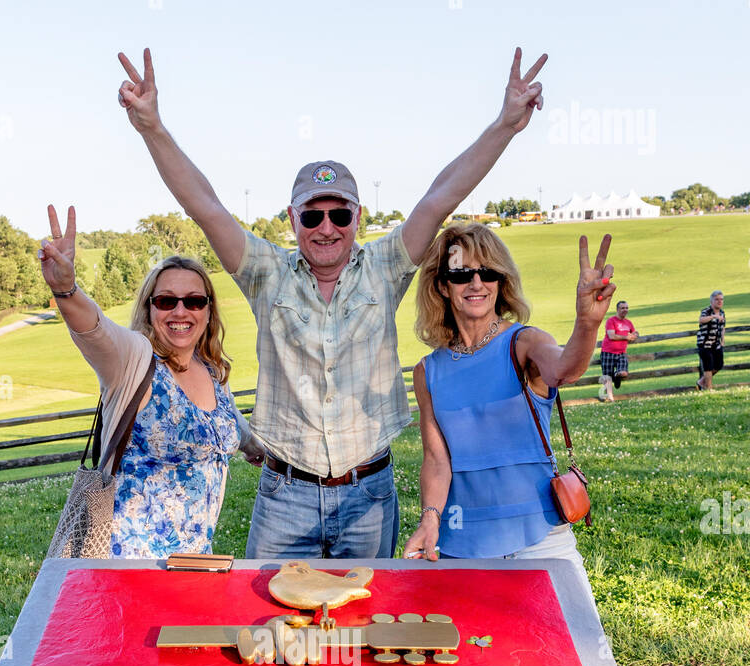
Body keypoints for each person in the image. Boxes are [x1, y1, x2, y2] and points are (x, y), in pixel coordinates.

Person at [116, 45, 547, 559]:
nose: (326, 228)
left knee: (363, 627)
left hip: (368, 493)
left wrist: (504, 125)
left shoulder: (385, 269)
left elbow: (439, 197)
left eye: (339, 216)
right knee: (270, 629)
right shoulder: (266, 273)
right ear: (293, 218)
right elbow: (205, 206)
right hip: (284, 498)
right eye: (312, 215)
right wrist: (152, 128)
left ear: (357, 218)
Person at [400, 223, 614, 601]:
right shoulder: (427, 371)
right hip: (459, 547)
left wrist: (587, 323)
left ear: (501, 282)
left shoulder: (524, 342)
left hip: (539, 541)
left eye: (489, 272)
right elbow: (436, 460)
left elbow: (565, 369)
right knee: (467, 658)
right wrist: (429, 520)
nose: (476, 283)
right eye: (462, 273)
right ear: (442, 285)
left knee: (566, 654)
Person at [38, 205, 247, 558]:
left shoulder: (212, 368)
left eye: (194, 301)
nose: (180, 311)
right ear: (149, 308)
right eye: (166, 301)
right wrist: (66, 289)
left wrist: (266, 451)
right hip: (127, 566)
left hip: (196, 564)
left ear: (208, 310)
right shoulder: (133, 358)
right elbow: (95, 329)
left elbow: (231, 424)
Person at [598, 299, 638, 401]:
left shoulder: (628, 322)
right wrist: (627, 337)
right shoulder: (611, 321)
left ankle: (617, 377)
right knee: (607, 377)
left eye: (626, 308)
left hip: (621, 353)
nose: (625, 310)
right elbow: (612, 336)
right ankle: (611, 399)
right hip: (608, 352)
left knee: (624, 372)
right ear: (617, 309)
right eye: (622, 308)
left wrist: (635, 335)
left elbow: (635, 332)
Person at [696, 291, 725, 390]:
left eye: (721, 299)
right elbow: (701, 320)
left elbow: (723, 327)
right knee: (708, 366)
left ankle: (701, 381)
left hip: (716, 344)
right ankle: (709, 388)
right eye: (717, 299)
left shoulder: (722, 313)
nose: (719, 301)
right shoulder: (706, 311)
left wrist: (722, 340)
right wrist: (713, 316)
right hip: (705, 344)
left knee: (719, 365)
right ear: (712, 301)